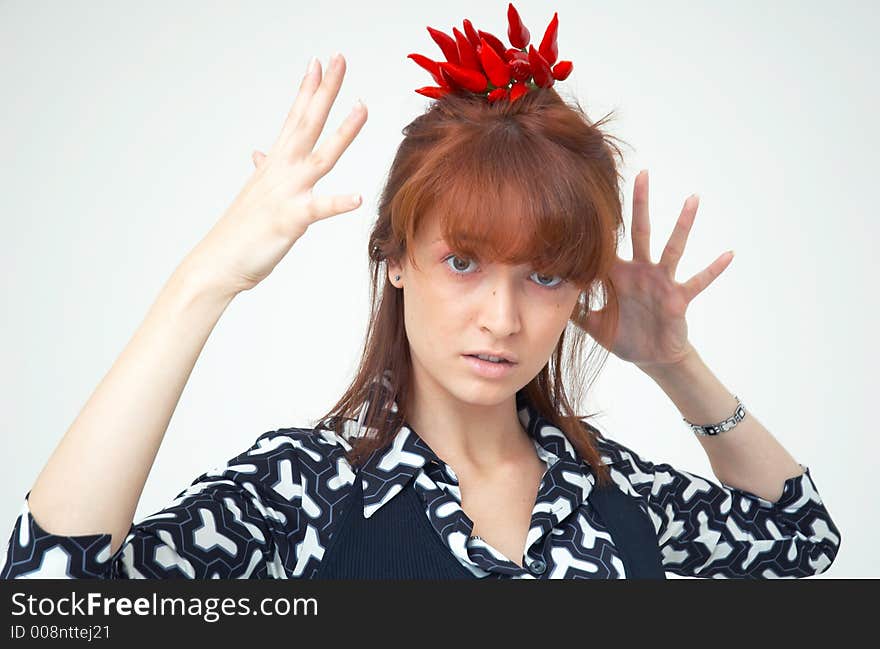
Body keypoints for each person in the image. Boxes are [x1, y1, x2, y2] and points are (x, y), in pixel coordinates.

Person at [0, 5, 841, 580]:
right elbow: (51, 597)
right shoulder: (309, 490)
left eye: (544, 275)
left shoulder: (610, 492)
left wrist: (677, 362)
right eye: (464, 261)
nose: (502, 319)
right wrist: (203, 282)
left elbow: (803, 539)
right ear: (396, 258)